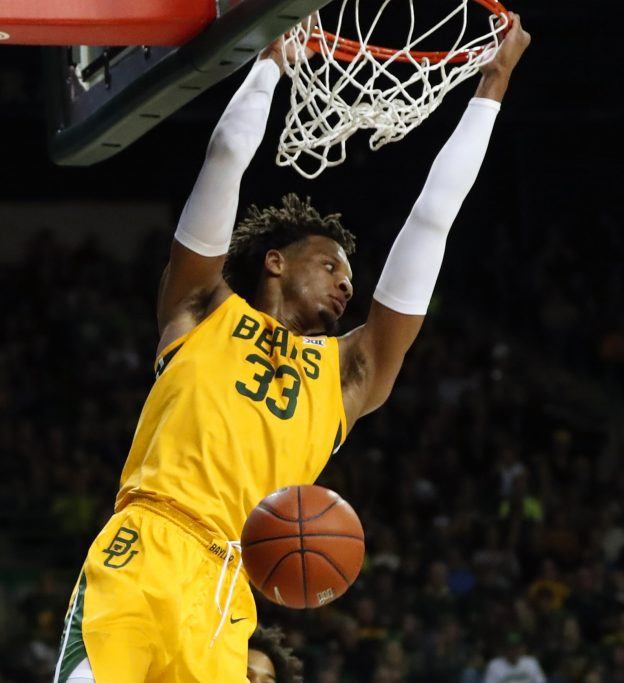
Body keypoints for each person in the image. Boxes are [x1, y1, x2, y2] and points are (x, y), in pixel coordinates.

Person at [54, 12, 531, 683]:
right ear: (275, 262)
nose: (346, 285)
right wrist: (269, 64)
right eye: (331, 265)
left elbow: (432, 218)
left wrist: (492, 89)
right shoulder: (199, 309)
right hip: (146, 543)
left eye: (350, 277)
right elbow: (223, 158)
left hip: (225, 586)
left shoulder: (349, 373)